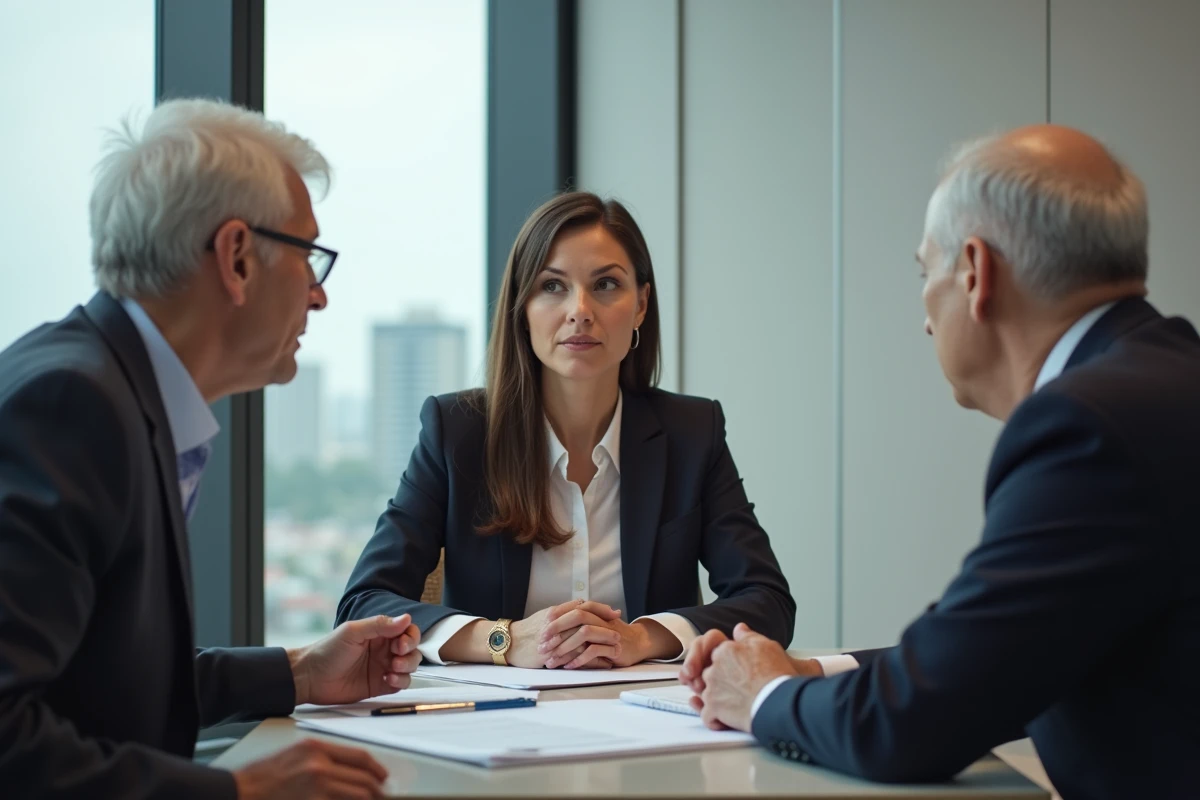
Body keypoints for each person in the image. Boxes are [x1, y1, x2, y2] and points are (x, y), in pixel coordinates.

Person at [680, 125, 1200, 799]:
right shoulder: (1166, 379)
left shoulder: (1086, 427)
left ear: (977, 273)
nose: (926, 317)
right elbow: (1004, 651)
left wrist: (766, 695)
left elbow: (918, 722)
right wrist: (807, 670)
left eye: (927, 274)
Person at [0, 98, 423, 800]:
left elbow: (102, 677)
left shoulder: (113, 388)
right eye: (308, 257)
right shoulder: (72, 409)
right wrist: (237, 794)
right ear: (236, 258)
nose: (318, 297)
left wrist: (300, 673)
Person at [339, 191, 794, 670]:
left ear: (641, 304)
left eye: (605, 284)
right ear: (522, 305)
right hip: (497, 727)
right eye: (552, 286)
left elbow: (768, 603)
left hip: (648, 720)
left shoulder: (692, 433)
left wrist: (643, 638)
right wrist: (506, 641)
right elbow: (363, 605)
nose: (580, 309)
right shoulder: (457, 432)